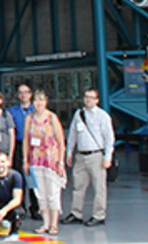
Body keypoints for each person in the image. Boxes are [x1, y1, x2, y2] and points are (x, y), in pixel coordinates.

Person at [63, 88, 115, 227]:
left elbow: (109, 137)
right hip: (81, 155)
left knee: (99, 187)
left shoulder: (102, 116)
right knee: (77, 186)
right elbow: (73, 134)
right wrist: (69, 152)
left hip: (96, 155)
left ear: (97, 100)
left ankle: (99, 214)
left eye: (92, 97)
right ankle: (76, 212)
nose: (88, 100)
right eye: (86, 97)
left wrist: (107, 156)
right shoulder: (78, 114)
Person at [23, 90, 66, 236]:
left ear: (46, 102)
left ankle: (54, 224)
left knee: (53, 192)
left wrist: (61, 162)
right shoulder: (30, 118)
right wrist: (25, 160)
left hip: (51, 160)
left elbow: (61, 141)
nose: (38, 103)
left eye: (41, 100)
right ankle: (45, 222)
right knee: (40, 193)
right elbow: (25, 141)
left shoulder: (52, 118)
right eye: (36, 100)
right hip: (36, 160)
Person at [7, 83, 38, 219]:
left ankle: (35, 208)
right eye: (20, 92)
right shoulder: (12, 111)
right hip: (18, 146)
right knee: (19, 178)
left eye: (26, 92)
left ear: (31, 94)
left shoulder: (36, 110)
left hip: (34, 147)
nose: (23, 95)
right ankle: (21, 207)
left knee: (34, 178)